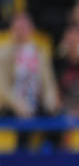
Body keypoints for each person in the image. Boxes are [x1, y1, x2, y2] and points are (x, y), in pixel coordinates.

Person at [0, 11, 59, 150]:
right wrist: (18, 105)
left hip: (35, 102)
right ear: (12, 29)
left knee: (56, 117)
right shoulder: (3, 53)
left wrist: (50, 99)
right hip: (11, 105)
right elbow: (2, 87)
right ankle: (21, 154)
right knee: (23, 120)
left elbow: (49, 82)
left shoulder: (39, 52)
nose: (22, 32)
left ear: (31, 29)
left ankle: (49, 151)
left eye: (25, 28)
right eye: (18, 28)